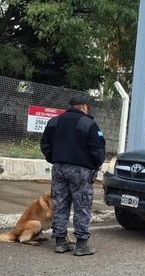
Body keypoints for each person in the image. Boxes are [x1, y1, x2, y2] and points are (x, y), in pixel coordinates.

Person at [41, 95, 106, 256]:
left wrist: (54, 158)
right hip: (81, 171)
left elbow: (45, 144)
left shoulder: (55, 121)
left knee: (59, 204)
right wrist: (96, 164)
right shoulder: (88, 123)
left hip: (59, 168)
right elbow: (98, 149)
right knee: (82, 206)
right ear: (84, 106)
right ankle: (81, 244)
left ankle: (60, 242)